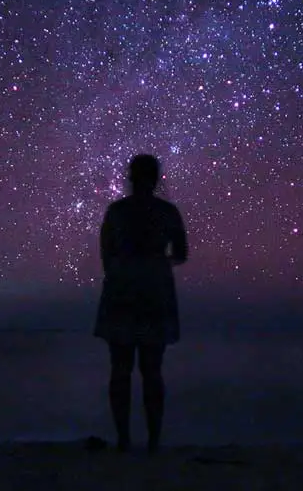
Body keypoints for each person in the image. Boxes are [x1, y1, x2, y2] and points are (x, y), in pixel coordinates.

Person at [93, 154, 188, 454]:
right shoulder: (167, 212)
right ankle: (153, 441)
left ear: (130, 176)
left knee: (120, 368)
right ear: (156, 177)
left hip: (122, 288)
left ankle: (124, 439)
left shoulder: (117, 211)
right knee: (152, 369)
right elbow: (182, 254)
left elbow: (105, 253)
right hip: (154, 291)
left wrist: (123, 269)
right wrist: (157, 265)